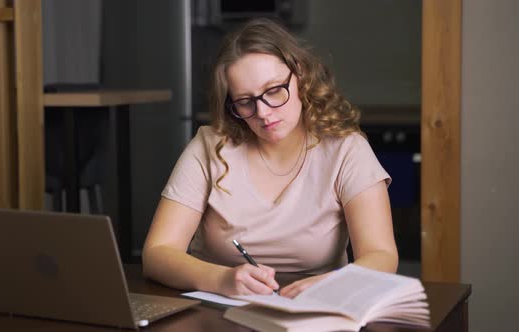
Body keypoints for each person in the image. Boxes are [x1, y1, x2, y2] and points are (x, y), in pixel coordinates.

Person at [142, 18, 398, 299]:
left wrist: (334, 285)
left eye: (274, 91)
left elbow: (381, 256)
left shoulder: (346, 149)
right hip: (218, 309)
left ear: (300, 75)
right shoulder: (209, 146)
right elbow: (157, 253)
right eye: (245, 101)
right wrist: (222, 279)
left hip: (316, 310)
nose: (263, 113)